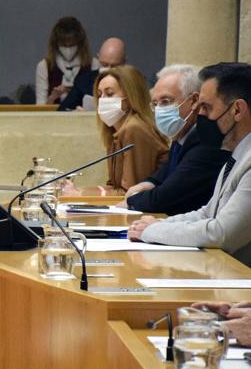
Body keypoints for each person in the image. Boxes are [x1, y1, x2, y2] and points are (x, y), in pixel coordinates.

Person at [129, 63, 251, 266]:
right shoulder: (236, 153)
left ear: (237, 110)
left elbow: (221, 233)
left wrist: (153, 231)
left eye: (206, 107)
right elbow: (207, 213)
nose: (199, 115)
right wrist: (160, 224)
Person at [117, 65, 231, 214]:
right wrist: (148, 183)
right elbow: (166, 174)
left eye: (166, 101)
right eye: (155, 104)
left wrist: (131, 201)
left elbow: (164, 198)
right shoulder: (182, 137)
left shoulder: (206, 141)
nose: (159, 110)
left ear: (194, 100)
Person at [94, 65, 169, 192]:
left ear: (130, 97)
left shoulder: (135, 128)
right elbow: (114, 186)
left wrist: (80, 193)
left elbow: (130, 193)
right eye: (99, 94)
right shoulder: (115, 131)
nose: (102, 100)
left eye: (110, 93)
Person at [35, 16, 98, 105]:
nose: (68, 49)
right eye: (63, 45)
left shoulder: (93, 64)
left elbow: (97, 104)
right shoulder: (44, 66)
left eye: (72, 45)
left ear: (80, 43)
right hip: (54, 118)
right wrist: (53, 97)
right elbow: (40, 109)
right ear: (56, 44)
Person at [58, 37, 126, 111]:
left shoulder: (132, 82)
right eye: (104, 65)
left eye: (114, 66)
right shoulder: (84, 81)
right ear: (98, 58)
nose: (108, 70)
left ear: (124, 63)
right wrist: (75, 113)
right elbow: (63, 110)